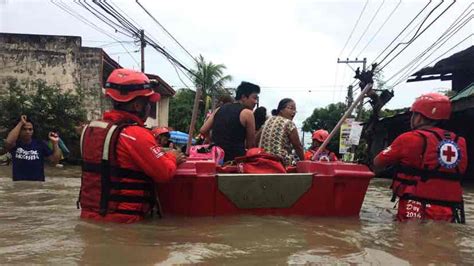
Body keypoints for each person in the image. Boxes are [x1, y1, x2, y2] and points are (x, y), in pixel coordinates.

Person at [79, 68, 186, 223]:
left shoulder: (89, 130)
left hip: (89, 217)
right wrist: (172, 156)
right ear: (137, 105)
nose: (149, 108)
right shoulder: (136, 134)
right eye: (148, 103)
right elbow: (164, 172)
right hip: (125, 221)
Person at [373, 92, 467, 223]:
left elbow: (378, 162)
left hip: (415, 206)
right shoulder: (460, 142)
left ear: (420, 117)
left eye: (414, 114)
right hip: (450, 209)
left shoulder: (410, 138)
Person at [200, 81, 260, 162]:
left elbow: (203, 130)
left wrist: (211, 140)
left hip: (216, 159)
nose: (255, 102)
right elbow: (251, 145)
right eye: (254, 98)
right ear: (244, 97)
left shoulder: (219, 109)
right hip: (236, 162)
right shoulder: (248, 113)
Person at [4, 115, 61, 181]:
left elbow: (54, 161)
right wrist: (21, 123)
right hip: (19, 185)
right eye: (24, 129)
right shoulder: (15, 144)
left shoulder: (40, 144)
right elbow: (8, 142)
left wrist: (55, 143)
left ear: (33, 131)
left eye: (30, 129)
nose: (28, 132)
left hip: (37, 186)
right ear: (19, 130)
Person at [259, 98, 304, 166]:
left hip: (261, 158)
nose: (294, 112)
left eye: (295, 110)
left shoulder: (268, 120)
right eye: (291, 108)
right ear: (281, 110)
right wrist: (304, 162)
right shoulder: (288, 123)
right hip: (279, 162)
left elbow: (256, 139)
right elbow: (298, 146)